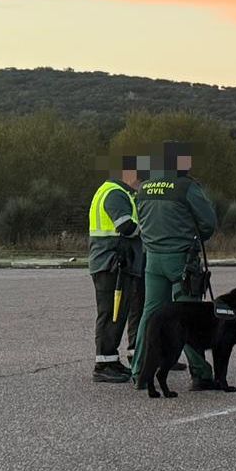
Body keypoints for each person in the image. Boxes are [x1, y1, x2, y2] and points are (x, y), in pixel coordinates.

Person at [130, 141, 220, 390]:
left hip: (153, 259)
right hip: (181, 259)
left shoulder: (145, 187)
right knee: (188, 316)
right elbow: (208, 223)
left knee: (150, 314)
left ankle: (140, 372)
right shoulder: (186, 186)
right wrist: (194, 239)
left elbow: (142, 219)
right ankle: (201, 374)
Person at [86, 156, 144, 383]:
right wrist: (148, 228)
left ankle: (111, 360)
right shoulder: (115, 194)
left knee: (117, 314)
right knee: (110, 313)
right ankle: (103, 365)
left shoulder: (118, 192)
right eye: (139, 177)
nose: (140, 182)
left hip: (115, 263)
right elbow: (126, 226)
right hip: (111, 263)